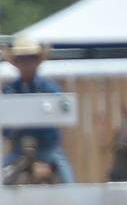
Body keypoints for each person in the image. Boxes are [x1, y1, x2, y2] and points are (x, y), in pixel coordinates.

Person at [2, 35, 75, 184]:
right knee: (3, 179)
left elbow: (59, 117)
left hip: (48, 150)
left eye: (30, 58)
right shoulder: (9, 90)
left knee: (68, 181)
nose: (26, 63)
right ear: (16, 63)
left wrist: (41, 156)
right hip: (18, 151)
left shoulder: (50, 88)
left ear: (37, 61)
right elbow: (6, 128)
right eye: (22, 59)